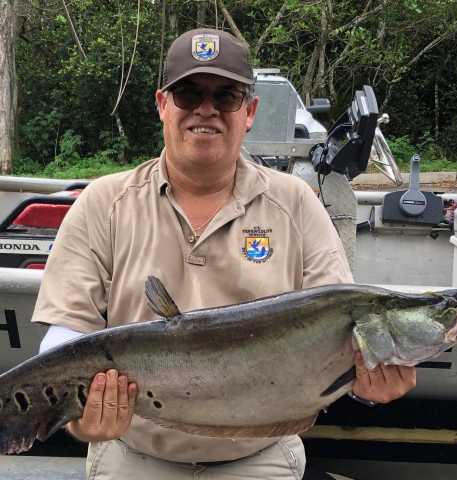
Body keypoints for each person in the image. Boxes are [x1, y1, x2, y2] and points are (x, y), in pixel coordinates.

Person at [33, 28, 416, 479]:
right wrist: (80, 412)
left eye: (226, 96)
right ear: (162, 105)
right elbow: (62, 341)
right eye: (189, 93)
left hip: (262, 459)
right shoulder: (102, 203)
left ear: (249, 112)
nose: (206, 109)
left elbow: (339, 332)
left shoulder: (296, 203)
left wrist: (370, 385)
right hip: (131, 456)